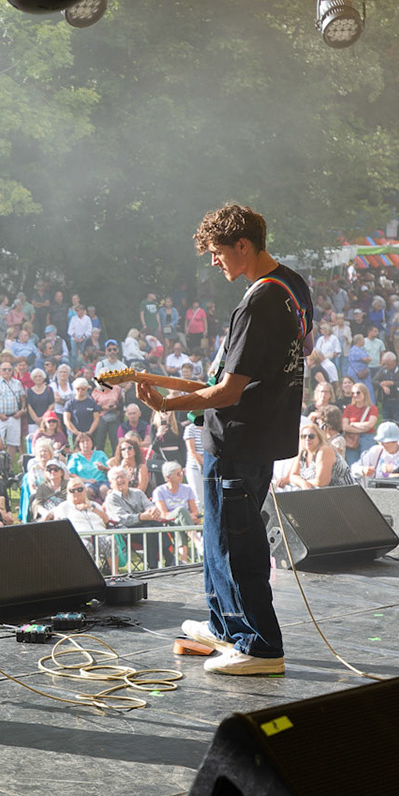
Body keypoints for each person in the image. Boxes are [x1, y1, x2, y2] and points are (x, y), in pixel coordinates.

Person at [134, 204, 311, 676]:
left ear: (243, 246)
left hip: (237, 439)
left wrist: (166, 404)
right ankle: (226, 627)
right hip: (259, 435)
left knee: (236, 544)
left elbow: (230, 391)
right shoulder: (293, 286)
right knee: (218, 538)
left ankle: (260, 647)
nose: (214, 262)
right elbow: (295, 352)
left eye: (217, 252)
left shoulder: (258, 302)